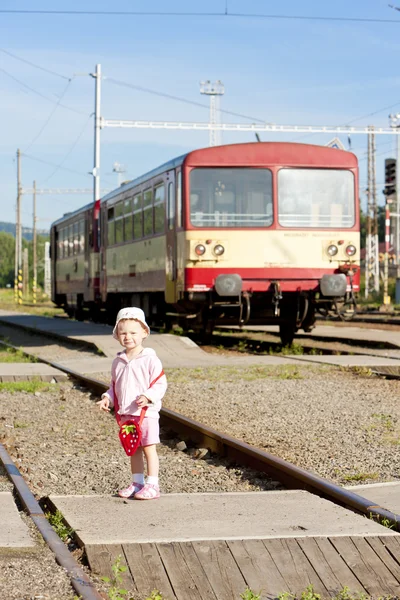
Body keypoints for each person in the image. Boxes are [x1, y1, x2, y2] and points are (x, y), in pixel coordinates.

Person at [98, 307, 167, 500]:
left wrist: (148, 396)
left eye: (133, 332)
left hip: (147, 413)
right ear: (117, 336)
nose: (128, 337)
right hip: (127, 415)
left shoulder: (150, 359)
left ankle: (153, 484)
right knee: (133, 449)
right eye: (123, 333)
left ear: (144, 333)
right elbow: (114, 386)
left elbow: (160, 383)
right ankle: (137, 483)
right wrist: (107, 398)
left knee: (148, 447)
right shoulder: (118, 362)